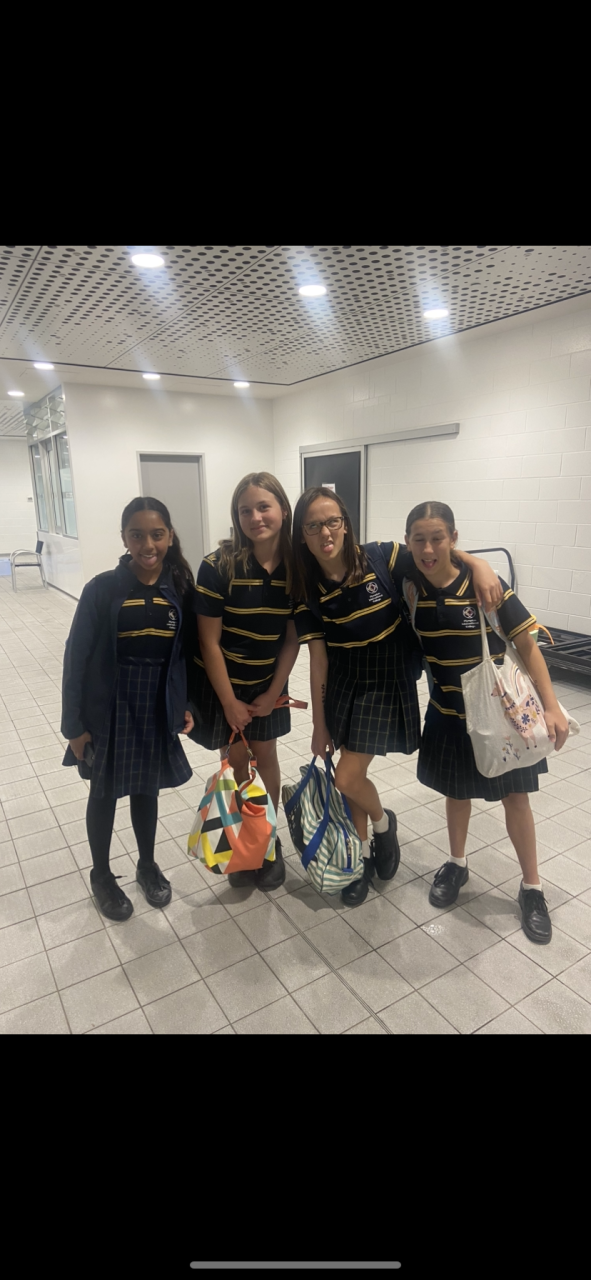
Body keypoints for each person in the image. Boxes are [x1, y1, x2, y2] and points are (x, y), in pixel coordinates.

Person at [291, 486, 503, 908]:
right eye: (313, 526)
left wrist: (478, 563)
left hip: (386, 680)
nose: (325, 532)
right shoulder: (306, 589)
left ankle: (383, 824)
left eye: (332, 521)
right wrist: (318, 725)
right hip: (345, 681)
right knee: (350, 778)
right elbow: (318, 659)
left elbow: (433, 556)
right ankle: (361, 860)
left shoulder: (382, 557)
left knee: (347, 777)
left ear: (345, 523)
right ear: (302, 534)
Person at [403, 500, 570, 944]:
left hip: (501, 717)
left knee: (516, 798)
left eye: (438, 538)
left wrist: (552, 707)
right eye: (419, 539)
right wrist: (474, 559)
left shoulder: (487, 588)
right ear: (408, 542)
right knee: (456, 793)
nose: (428, 548)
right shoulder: (410, 586)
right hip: (448, 714)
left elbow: (527, 645)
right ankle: (457, 864)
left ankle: (532, 888)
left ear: (454, 539)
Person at [61, 497, 196, 922]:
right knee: (102, 792)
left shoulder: (179, 588)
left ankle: (147, 864)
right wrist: (73, 726)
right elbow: (75, 657)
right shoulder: (102, 589)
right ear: (124, 538)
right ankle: (101, 875)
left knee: (146, 788)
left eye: (157, 535)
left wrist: (185, 702)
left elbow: (185, 655)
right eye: (137, 535)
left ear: (169, 536)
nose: (147, 545)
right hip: (109, 706)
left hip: (155, 702)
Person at [188, 472, 299, 891]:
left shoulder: (297, 568)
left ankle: (267, 842)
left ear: (283, 509)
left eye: (263, 507)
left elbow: (292, 639)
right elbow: (209, 641)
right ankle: (239, 842)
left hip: (268, 683)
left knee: (266, 756)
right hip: (225, 684)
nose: (255, 517)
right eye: (245, 510)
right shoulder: (219, 566)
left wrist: (273, 693)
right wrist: (229, 702)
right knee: (236, 760)